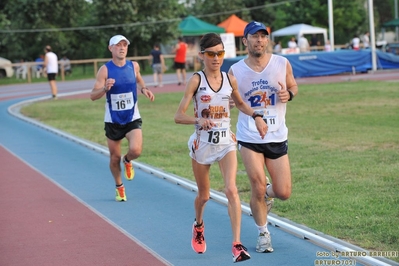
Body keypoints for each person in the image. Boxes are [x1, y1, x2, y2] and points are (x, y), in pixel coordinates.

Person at [174, 33, 267, 263]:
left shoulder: (229, 79)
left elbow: (241, 103)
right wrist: (197, 120)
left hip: (226, 142)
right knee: (204, 196)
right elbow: (178, 115)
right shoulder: (196, 80)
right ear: (202, 56)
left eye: (220, 53)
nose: (216, 58)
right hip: (203, 145)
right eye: (211, 54)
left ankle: (237, 245)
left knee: (231, 190)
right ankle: (198, 225)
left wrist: (256, 116)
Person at [228, 21, 298, 253]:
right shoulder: (235, 71)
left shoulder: (281, 63)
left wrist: (289, 94)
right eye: (254, 36)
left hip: (277, 135)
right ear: (244, 41)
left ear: (267, 40)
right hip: (250, 136)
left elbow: (293, 86)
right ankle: (263, 234)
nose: (259, 40)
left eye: (263, 36)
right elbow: (231, 100)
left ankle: (268, 193)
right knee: (256, 186)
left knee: (284, 192)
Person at [90, 34, 155, 202]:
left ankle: (128, 160)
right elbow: (93, 95)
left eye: (124, 45)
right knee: (114, 158)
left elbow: (139, 79)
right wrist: (105, 88)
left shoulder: (133, 66)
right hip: (113, 119)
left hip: (132, 116)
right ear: (111, 48)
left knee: (136, 150)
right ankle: (119, 186)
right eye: (118, 45)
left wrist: (144, 89)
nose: (122, 48)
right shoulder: (105, 70)